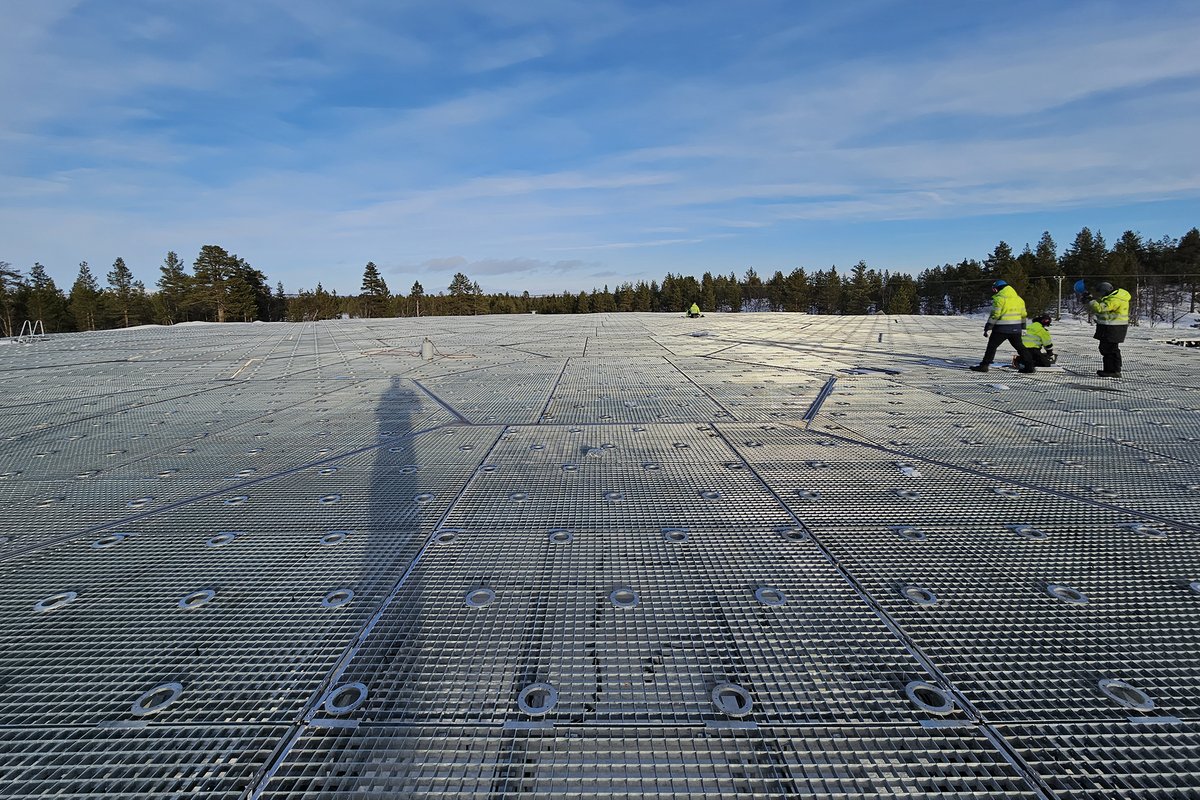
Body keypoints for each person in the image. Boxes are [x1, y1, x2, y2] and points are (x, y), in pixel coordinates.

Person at [970, 280, 1036, 374]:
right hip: (1016, 329)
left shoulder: (1000, 299)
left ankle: (984, 365)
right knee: (1021, 348)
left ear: (1000, 288)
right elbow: (1023, 315)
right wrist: (1023, 327)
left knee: (992, 347)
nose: (994, 291)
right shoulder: (1019, 299)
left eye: (995, 289)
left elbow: (995, 315)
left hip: (1001, 329)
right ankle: (1029, 366)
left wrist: (988, 327)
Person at [1083, 281, 1130, 377]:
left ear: (1105, 291)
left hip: (1113, 328)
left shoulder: (1114, 300)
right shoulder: (1112, 298)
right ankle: (1111, 369)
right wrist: (1090, 299)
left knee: (1109, 349)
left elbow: (1101, 308)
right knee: (1109, 348)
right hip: (1111, 327)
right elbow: (1101, 304)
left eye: (1101, 292)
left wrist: (1091, 301)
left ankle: (1113, 371)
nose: (1100, 294)